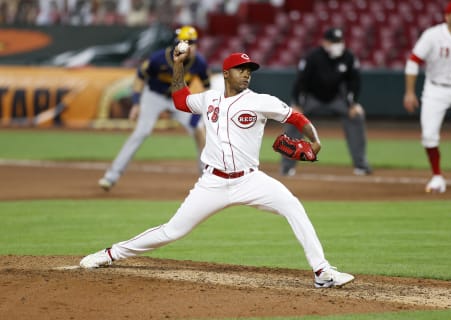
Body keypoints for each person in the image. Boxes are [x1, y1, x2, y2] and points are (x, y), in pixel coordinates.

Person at [80, 50, 355, 289]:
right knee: (172, 231)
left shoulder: (260, 101)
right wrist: (178, 65)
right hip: (212, 183)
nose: (246, 74)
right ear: (226, 73)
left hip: (251, 180)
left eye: (249, 70)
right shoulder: (209, 99)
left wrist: (315, 142)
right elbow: (180, 100)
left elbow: (296, 117)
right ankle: (110, 254)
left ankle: (322, 272)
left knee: (293, 207)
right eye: (241, 69)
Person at [98, 25, 210, 191]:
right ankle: (111, 176)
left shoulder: (198, 63)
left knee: (199, 129)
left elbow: (206, 86)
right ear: (176, 44)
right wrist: (136, 103)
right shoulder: (159, 59)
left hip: (178, 98)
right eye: (187, 42)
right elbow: (140, 77)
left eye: (193, 42)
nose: (191, 46)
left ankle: (207, 177)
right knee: (141, 132)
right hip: (154, 97)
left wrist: (201, 110)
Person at [403, 0, 451, 193]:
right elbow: (413, 62)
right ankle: (437, 176)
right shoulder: (432, 36)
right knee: (429, 135)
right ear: (447, 16)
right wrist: (410, 92)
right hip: (436, 89)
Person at [280, 27, 372, 177]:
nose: (338, 44)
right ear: (325, 42)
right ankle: (287, 166)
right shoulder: (313, 57)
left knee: (357, 116)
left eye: (340, 41)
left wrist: (353, 104)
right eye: (334, 41)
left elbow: (354, 82)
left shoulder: (348, 57)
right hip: (311, 97)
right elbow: (301, 81)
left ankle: (361, 165)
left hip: (336, 98)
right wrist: (297, 103)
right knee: (293, 118)